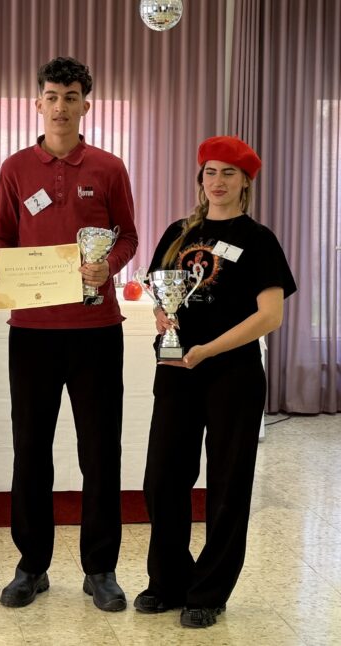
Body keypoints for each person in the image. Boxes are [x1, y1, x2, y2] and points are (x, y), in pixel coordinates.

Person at [0, 57, 138, 610]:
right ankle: (31, 565)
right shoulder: (16, 167)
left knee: (100, 452)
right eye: (52, 96)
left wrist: (107, 265)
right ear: (38, 103)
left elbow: (128, 236)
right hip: (32, 331)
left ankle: (101, 568)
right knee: (31, 451)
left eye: (71, 96)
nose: (61, 106)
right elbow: (3, 236)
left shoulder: (109, 167)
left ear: (86, 104)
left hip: (96, 329)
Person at [134, 136, 296, 628]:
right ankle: (168, 580)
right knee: (163, 480)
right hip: (176, 371)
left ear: (246, 181)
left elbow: (270, 316)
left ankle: (209, 591)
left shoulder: (259, 239)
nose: (217, 181)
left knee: (227, 485)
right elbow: (160, 293)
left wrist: (209, 349)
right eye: (210, 171)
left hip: (232, 374)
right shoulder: (179, 233)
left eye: (229, 172)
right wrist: (163, 318)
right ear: (200, 177)